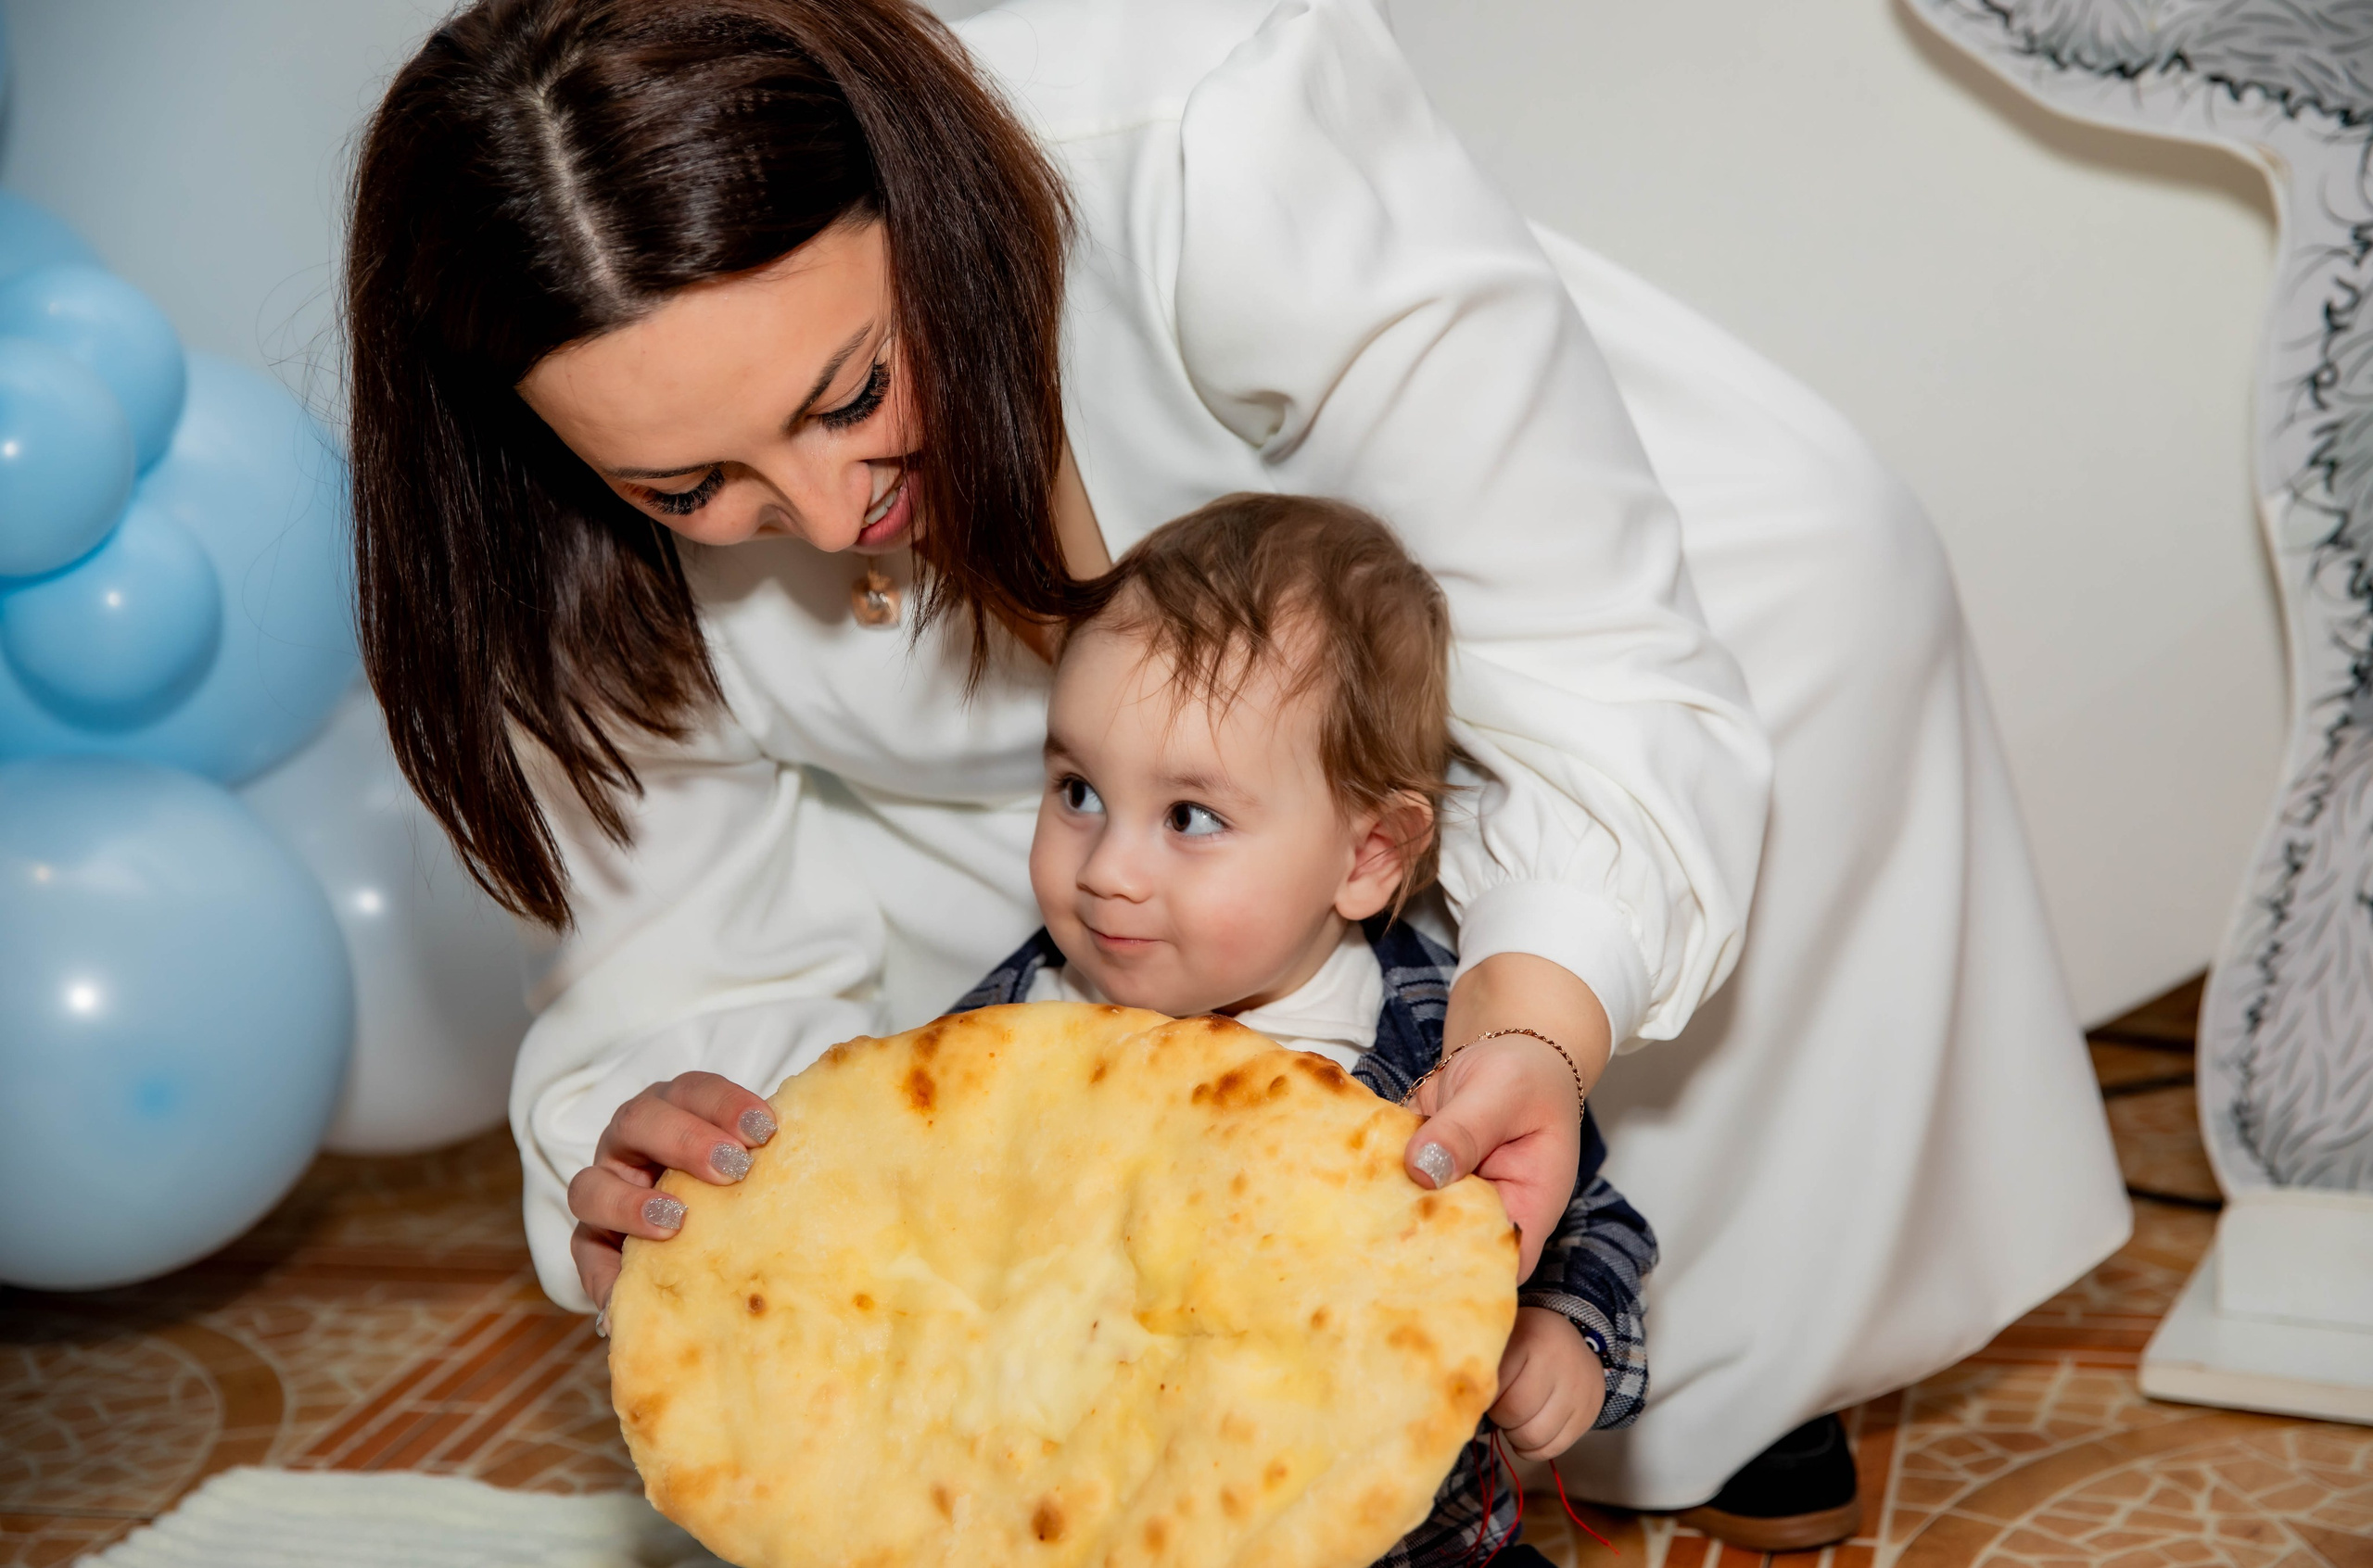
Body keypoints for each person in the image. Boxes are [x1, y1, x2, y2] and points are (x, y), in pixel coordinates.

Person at [343, 0, 2128, 1544]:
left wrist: (1530, 1024)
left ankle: (1714, 1366)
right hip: (982, 807)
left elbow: (1584, 649)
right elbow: (671, 944)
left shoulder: (1202, 112)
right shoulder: (549, 525)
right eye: (690, 491)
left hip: (1485, 571)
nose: (818, 519)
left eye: (847, 390)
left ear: (921, 194)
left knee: (1777, 658)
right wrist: (690, 1161)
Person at [950, 492, 1657, 1564]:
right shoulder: (1002, 1038)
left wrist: (1564, 1333)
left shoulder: (1436, 1059)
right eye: (1078, 791)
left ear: (1368, 855)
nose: (1106, 871)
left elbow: (1591, 1221)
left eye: (1190, 817)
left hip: (1403, 1540)